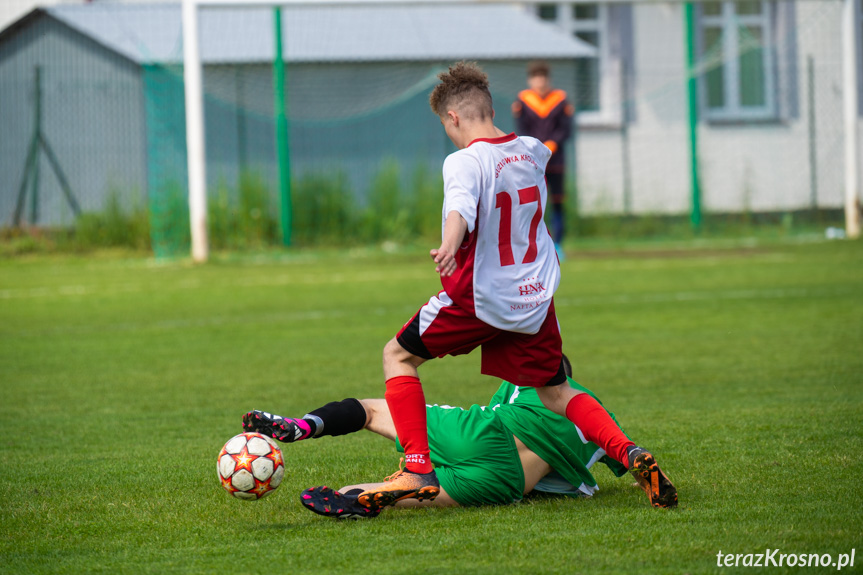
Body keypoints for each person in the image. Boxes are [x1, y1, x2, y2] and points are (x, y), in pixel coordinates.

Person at [242, 356, 678, 519]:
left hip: (488, 437)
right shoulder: (591, 411)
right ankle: (354, 497)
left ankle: (302, 427)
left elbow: (505, 402)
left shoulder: (521, 387)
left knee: (374, 409)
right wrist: (632, 456)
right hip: (508, 485)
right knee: (418, 489)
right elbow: (610, 449)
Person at [512, 61, 574, 254]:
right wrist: (535, 148)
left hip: (555, 161)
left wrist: (552, 144)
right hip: (533, 161)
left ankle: (558, 244)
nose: (540, 81)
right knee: (532, 202)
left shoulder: (561, 100)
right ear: (530, 80)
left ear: (548, 79)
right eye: (536, 77)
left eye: (543, 77)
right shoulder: (523, 101)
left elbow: (566, 129)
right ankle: (534, 243)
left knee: (556, 202)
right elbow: (522, 129)